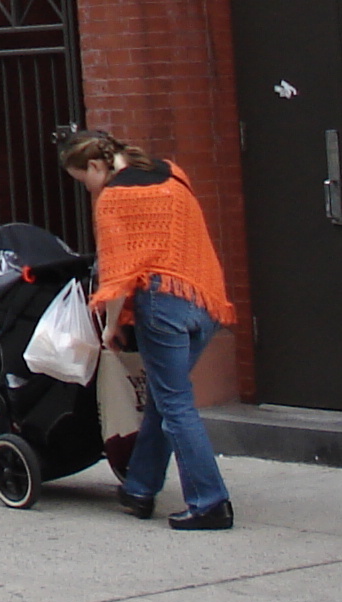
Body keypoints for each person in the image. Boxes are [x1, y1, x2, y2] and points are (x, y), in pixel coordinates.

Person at [63, 129, 237, 530]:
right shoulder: (174, 175)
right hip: (203, 298)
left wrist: (110, 328)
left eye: (81, 179)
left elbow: (118, 274)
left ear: (95, 165)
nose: (86, 188)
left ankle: (211, 502)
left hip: (162, 305)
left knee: (175, 404)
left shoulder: (114, 199)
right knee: (164, 396)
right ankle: (140, 487)